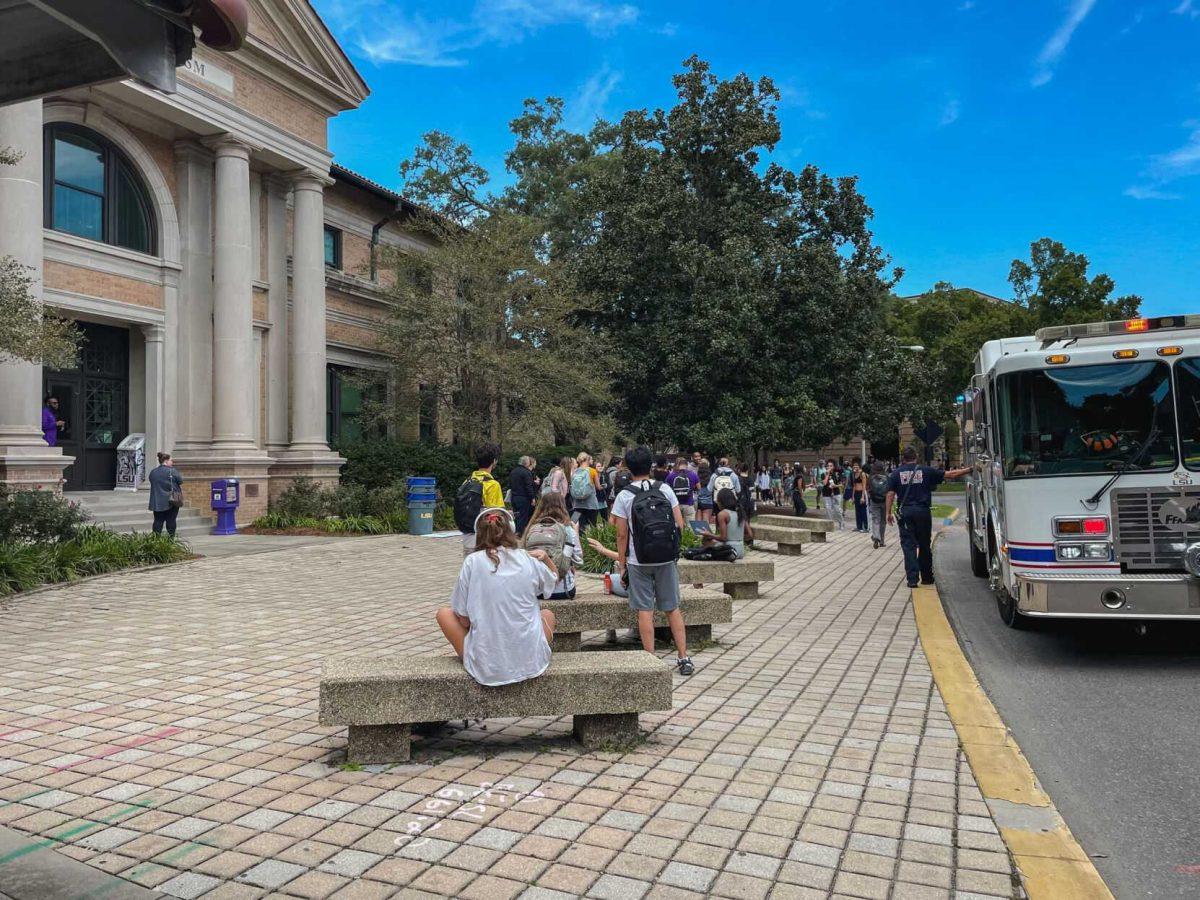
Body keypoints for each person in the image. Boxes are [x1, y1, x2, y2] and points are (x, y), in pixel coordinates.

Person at [436, 508, 559, 687]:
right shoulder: (527, 559)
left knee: (444, 614)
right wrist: (546, 559)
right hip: (531, 664)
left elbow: (463, 620)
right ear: (511, 530)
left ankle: (486, 659)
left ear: (479, 534)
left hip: (487, 669)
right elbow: (553, 579)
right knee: (547, 615)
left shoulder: (472, 561)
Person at [611, 445, 694, 676]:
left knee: (644, 609)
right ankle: (683, 656)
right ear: (650, 466)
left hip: (639, 560)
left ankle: (651, 660)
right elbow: (680, 524)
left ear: (628, 467)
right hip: (666, 558)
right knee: (672, 607)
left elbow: (620, 534)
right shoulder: (665, 488)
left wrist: (622, 562)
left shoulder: (625, 495)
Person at [886, 447, 972, 588]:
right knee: (924, 545)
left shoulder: (896, 474)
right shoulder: (926, 471)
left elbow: (890, 494)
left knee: (909, 546)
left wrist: (888, 512)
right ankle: (926, 577)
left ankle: (912, 579)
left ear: (903, 459)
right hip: (923, 512)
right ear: (916, 457)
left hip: (906, 513)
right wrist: (969, 469)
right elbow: (950, 475)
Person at [522, 492, 582, 599]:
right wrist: (575, 532)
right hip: (562, 590)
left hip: (535, 591)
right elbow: (579, 559)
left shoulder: (531, 528)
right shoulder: (568, 529)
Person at [454, 444, 505, 557]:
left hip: (468, 536)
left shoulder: (468, 481)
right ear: (494, 461)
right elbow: (496, 513)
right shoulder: (492, 484)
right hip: (485, 538)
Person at [702, 488, 754, 559]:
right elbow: (750, 535)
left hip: (729, 551)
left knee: (706, 540)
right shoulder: (740, 512)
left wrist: (709, 534)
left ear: (721, 501)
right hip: (740, 551)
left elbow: (723, 538)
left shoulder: (723, 514)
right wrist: (736, 539)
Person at [147, 451, 183, 537]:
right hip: (172, 500)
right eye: (171, 460)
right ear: (166, 461)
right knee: (171, 520)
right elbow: (180, 481)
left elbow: (152, 481)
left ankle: (156, 540)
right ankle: (171, 540)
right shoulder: (172, 471)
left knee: (158, 521)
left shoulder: (153, 472)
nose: (172, 462)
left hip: (157, 500)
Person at [570, 452, 602, 530]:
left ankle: (578, 540)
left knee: (577, 526)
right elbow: (598, 487)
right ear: (587, 459)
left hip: (577, 504)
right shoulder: (592, 471)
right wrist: (603, 487)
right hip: (591, 504)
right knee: (592, 527)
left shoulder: (574, 472)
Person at [508, 455, 539, 534]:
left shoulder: (513, 471)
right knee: (523, 517)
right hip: (524, 498)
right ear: (527, 463)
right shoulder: (526, 472)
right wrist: (532, 498)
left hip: (514, 497)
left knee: (517, 516)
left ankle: (515, 532)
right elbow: (528, 486)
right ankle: (521, 534)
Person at [866, 460, 889, 548]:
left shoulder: (871, 477)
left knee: (876, 519)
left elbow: (868, 489)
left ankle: (876, 537)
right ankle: (882, 541)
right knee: (883, 521)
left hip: (874, 501)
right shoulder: (886, 476)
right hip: (884, 501)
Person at [669, 457, 699, 522]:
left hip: (675, 504)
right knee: (690, 527)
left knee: (677, 526)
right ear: (686, 464)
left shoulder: (671, 475)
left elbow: (667, 488)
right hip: (689, 503)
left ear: (677, 464)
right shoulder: (692, 474)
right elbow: (699, 487)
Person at [821, 459, 845, 529]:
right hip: (826, 494)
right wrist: (827, 474)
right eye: (828, 466)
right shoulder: (823, 474)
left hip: (836, 493)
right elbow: (825, 483)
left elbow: (842, 484)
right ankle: (830, 524)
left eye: (831, 466)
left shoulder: (837, 474)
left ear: (834, 467)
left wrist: (835, 485)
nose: (829, 467)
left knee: (837, 509)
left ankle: (841, 523)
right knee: (828, 509)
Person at [851, 461, 869, 533]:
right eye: (854, 466)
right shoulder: (854, 474)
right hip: (856, 493)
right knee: (857, 510)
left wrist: (863, 497)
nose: (855, 468)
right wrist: (853, 496)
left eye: (856, 466)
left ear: (859, 466)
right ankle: (859, 526)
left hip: (862, 492)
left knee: (863, 510)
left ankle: (865, 527)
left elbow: (864, 485)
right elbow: (854, 486)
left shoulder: (862, 474)